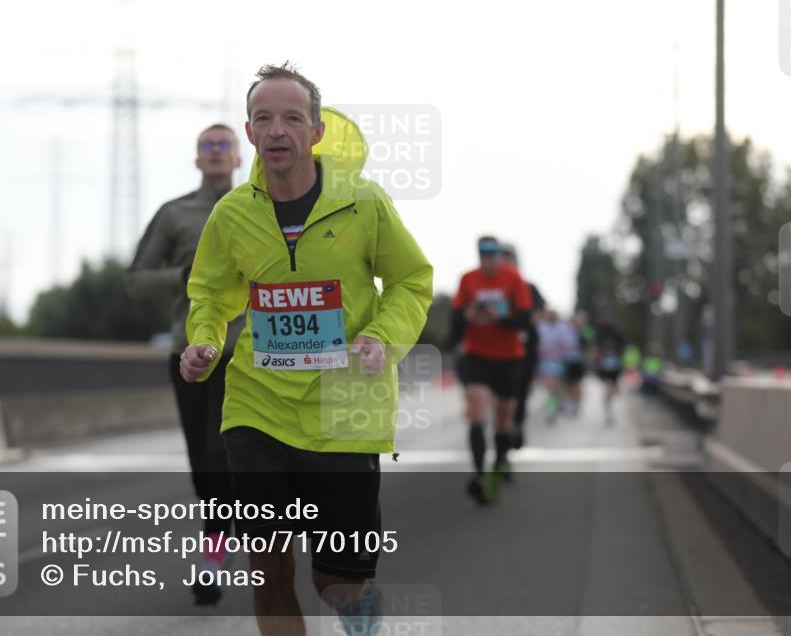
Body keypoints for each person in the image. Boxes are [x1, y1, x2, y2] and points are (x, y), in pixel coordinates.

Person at [180, 63, 432, 636]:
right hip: (257, 409)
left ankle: (359, 612)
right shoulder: (233, 214)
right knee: (268, 571)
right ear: (249, 133)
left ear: (316, 132)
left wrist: (381, 338)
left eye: (291, 118)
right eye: (264, 119)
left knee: (337, 584)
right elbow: (211, 294)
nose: (277, 131)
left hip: (346, 409)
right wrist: (204, 342)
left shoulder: (364, 204)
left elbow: (411, 282)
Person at [126, 123, 243, 605]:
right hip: (192, 349)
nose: (215, 153)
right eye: (206, 146)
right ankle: (219, 542)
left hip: (256, 353)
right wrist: (183, 274)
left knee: (234, 454)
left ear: (239, 157)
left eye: (224, 145)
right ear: (198, 160)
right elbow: (135, 280)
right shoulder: (175, 215)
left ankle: (235, 545)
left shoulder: (262, 207)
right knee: (205, 461)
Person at [449, 236, 533, 502]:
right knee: (476, 409)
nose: (488, 259)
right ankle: (479, 475)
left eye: (492, 254)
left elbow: (525, 320)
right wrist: (467, 317)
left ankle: (500, 461)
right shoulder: (468, 279)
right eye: (483, 254)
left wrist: (501, 318)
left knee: (503, 418)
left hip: (509, 357)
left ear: (499, 255)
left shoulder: (513, 279)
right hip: (478, 354)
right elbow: (456, 316)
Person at [499, 243, 544, 451]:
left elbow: (538, 314)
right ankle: (503, 435)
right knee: (502, 397)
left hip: (524, 351)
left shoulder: (529, 288)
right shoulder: (494, 288)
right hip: (498, 350)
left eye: (509, 259)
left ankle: (516, 426)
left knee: (520, 393)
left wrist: (521, 318)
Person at [594, 312, 626, 424]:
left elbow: (623, 345)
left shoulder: (617, 332)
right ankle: (608, 404)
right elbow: (596, 348)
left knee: (612, 388)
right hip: (604, 365)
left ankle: (609, 398)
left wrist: (616, 351)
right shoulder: (600, 332)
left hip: (614, 364)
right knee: (609, 386)